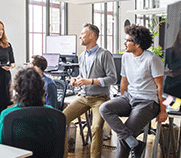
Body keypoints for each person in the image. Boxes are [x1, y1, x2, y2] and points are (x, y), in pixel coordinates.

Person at [99, 24, 168, 158]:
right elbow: (124, 80)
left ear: (137, 44)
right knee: (105, 108)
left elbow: (161, 87)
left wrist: (163, 110)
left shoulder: (152, 59)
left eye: (127, 40)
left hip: (147, 102)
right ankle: (134, 143)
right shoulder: (126, 57)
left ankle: (130, 141)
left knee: (123, 137)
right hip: (129, 98)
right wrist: (121, 97)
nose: (124, 43)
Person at [62, 23, 117, 158]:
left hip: (100, 98)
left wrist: (90, 81)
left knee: (96, 128)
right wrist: (77, 80)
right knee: (61, 120)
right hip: (84, 97)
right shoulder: (82, 56)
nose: (80, 36)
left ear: (92, 36)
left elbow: (112, 78)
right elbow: (84, 77)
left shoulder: (104, 54)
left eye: (82, 34)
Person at [0, 67, 53, 144]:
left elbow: (1, 144)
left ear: (16, 91)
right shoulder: (51, 113)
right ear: (42, 89)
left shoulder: (6, 114)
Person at [163, 28, 181, 99]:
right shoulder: (169, 52)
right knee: (171, 106)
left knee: (172, 106)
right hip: (171, 86)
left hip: (171, 87)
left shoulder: (169, 51)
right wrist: (167, 73)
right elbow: (161, 69)